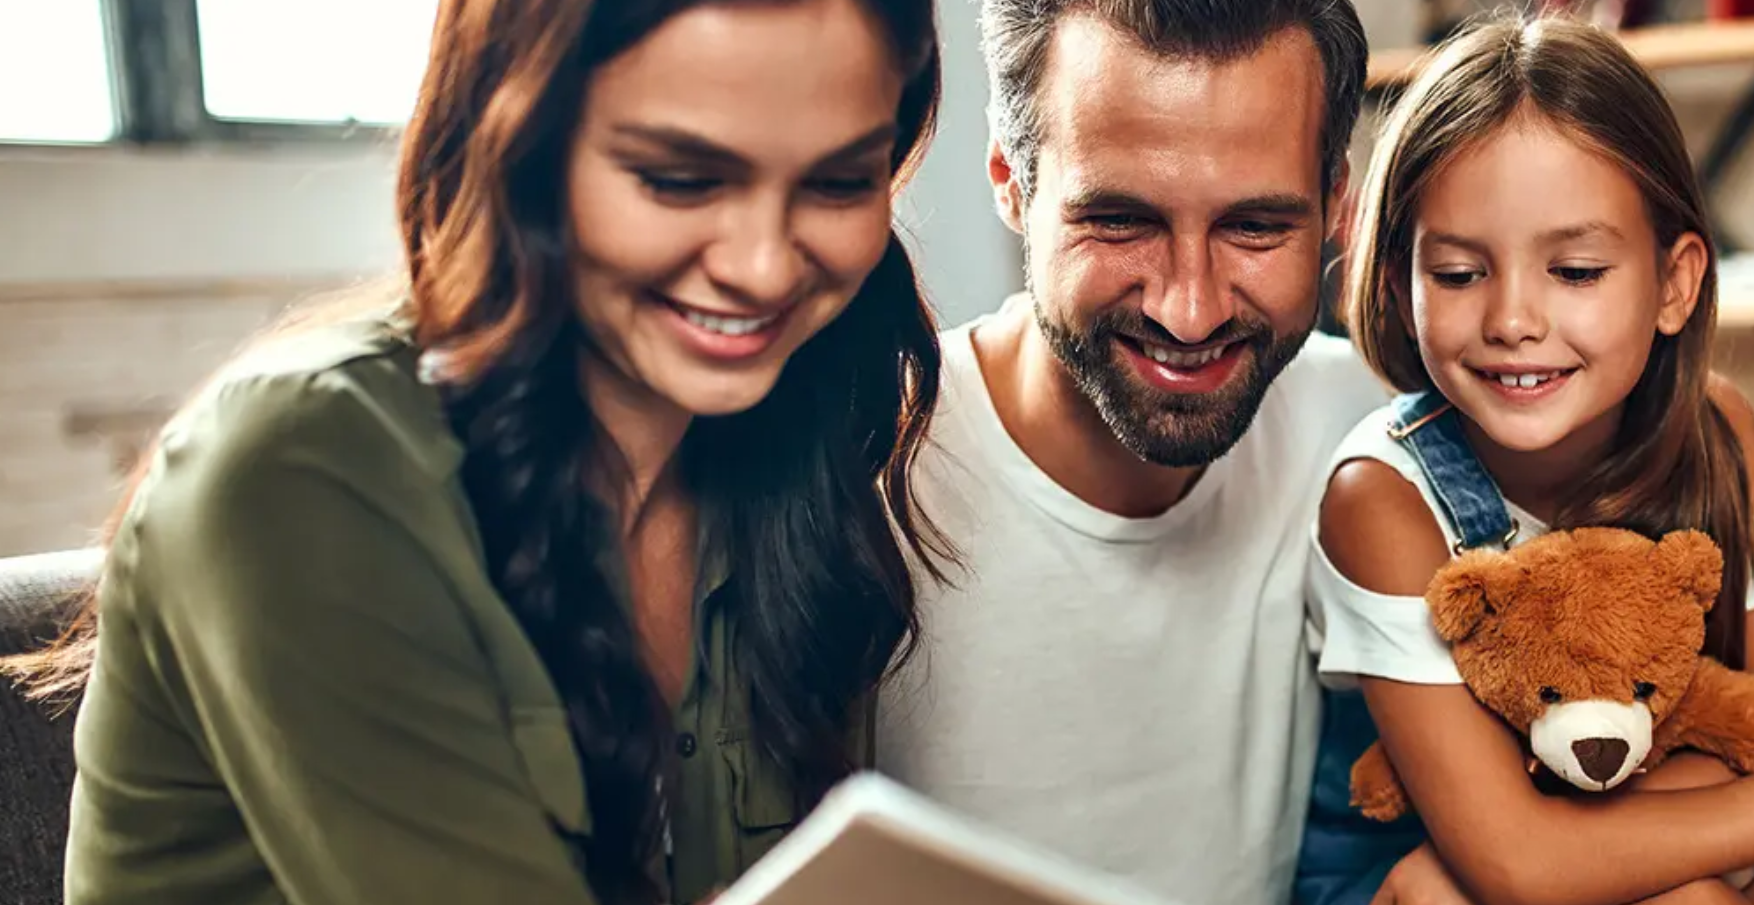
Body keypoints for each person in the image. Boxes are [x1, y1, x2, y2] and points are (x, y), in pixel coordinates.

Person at [3, 1, 946, 902]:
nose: (765, 265)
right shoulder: (301, 466)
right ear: (519, 142)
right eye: (679, 179)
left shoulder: (790, 460)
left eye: (836, 182)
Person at [1296, 13, 1754, 905]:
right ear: (1396, 287)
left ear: (1674, 283)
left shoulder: (1720, 430)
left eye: (1575, 271)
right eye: (1457, 274)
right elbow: (1514, 860)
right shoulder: (1384, 496)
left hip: (1633, 834)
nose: (1513, 320)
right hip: (1429, 874)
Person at [865, 1, 1381, 903]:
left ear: (1336, 204)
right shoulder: (868, 471)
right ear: (1010, 182)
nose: (1191, 310)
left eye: (1255, 227)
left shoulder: (1373, 440)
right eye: (1120, 221)